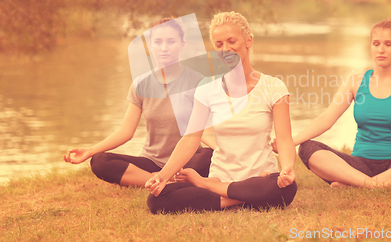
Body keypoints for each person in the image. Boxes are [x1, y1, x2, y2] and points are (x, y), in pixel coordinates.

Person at [145, 11, 297, 214]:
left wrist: (287, 168)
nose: (226, 49)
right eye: (219, 44)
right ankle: (244, 198)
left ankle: (212, 189)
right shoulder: (207, 89)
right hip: (222, 176)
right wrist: (163, 176)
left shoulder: (274, 87)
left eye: (231, 41)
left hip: (260, 177)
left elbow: (285, 138)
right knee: (157, 200)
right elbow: (191, 139)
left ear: (248, 40)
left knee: (286, 187)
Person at [284, 17, 391, 188]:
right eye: (376, 44)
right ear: (370, 47)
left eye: (388, 44)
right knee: (307, 149)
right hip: (360, 165)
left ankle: (355, 184)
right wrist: (291, 141)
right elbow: (326, 119)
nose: (381, 50)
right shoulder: (355, 82)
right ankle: (374, 184)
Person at [64, 18, 213, 187]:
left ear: (182, 45)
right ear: (150, 45)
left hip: (188, 161)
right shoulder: (141, 84)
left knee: (209, 155)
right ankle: (160, 181)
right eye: (158, 42)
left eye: (171, 41)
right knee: (99, 161)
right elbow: (126, 131)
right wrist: (90, 150)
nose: (164, 48)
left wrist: (226, 150)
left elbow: (206, 130)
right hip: (152, 161)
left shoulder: (198, 82)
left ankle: (162, 179)